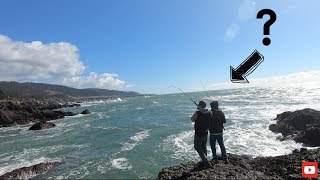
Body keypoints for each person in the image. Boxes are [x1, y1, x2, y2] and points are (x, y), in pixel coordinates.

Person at [191, 100, 212, 167]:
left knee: (196, 146)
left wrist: (199, 110)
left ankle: (205, 160)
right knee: (203, 146)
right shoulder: (210, 112)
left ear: (200, 106)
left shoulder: (197, 113)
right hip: (205, 132)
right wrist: (200, 109)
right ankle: (204, 160)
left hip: (198, 133)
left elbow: (192, 119)